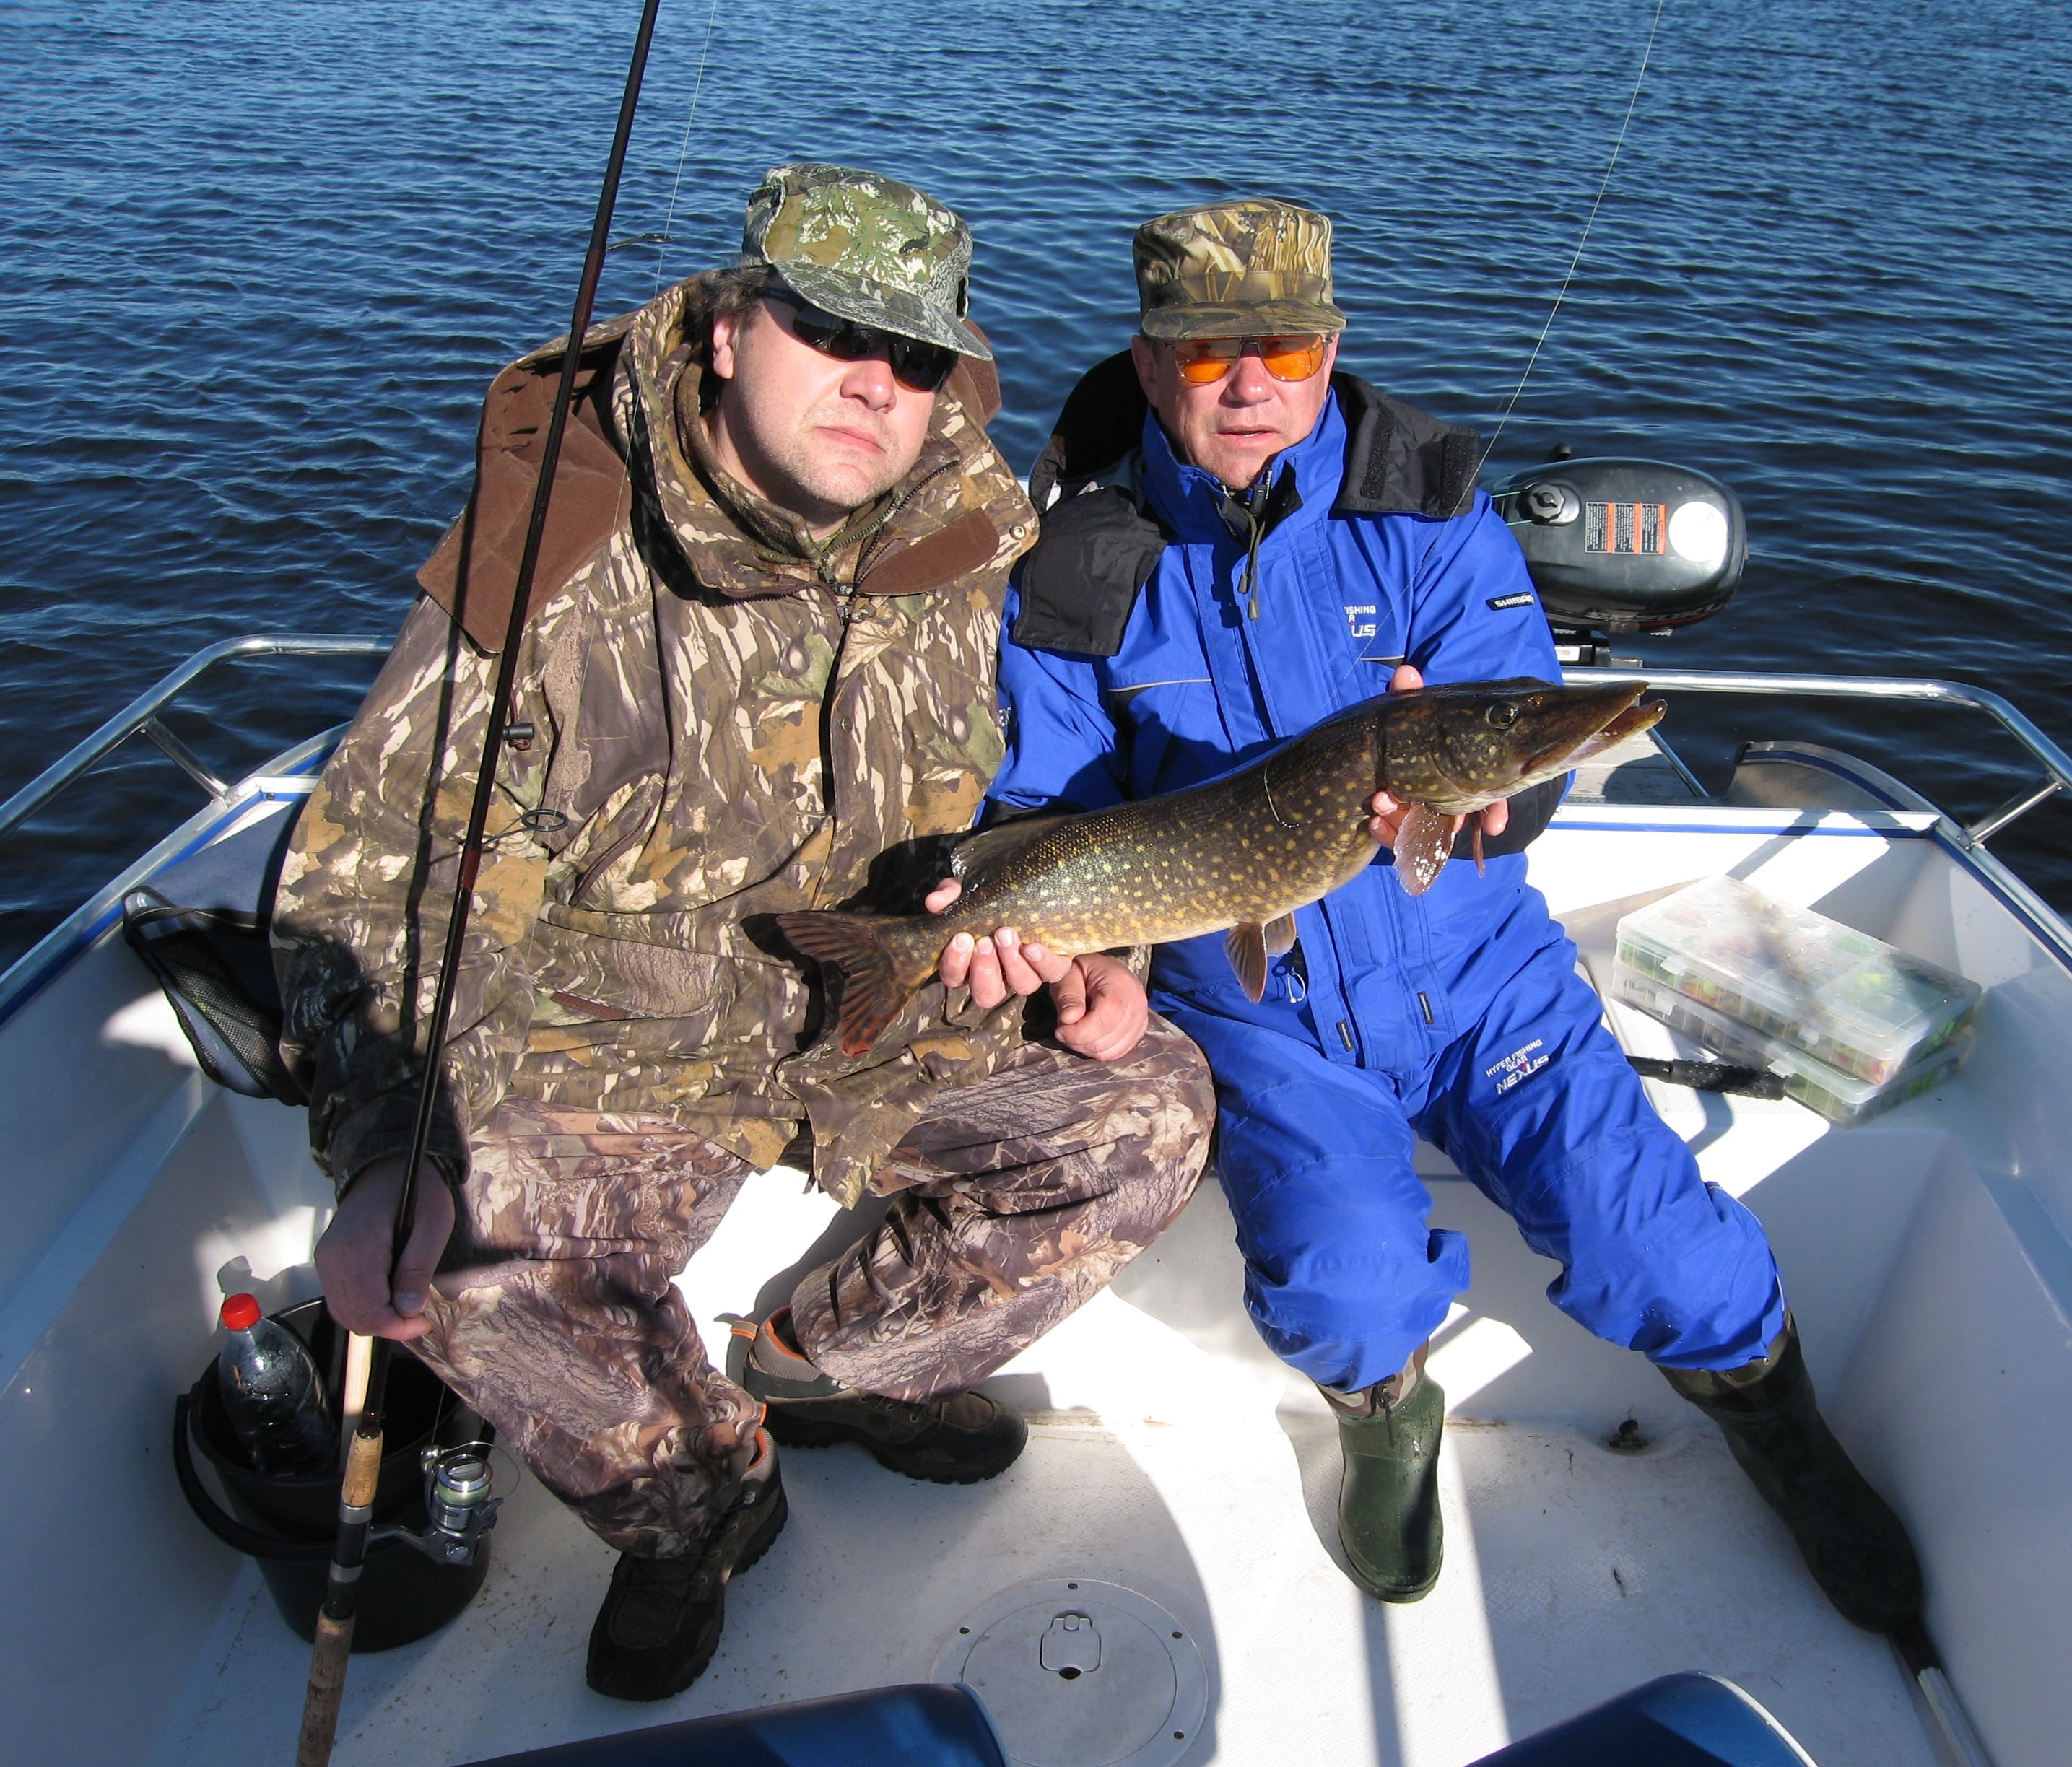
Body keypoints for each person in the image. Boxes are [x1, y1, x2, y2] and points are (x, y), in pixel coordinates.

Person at [275, 163, 1213, 1701]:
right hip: (624, 1046)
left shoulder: (984, 540)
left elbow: (1065, 790)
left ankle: (828, 1367)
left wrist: (1106, 957)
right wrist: (393, 1142)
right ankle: (705, 1505)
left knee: (1151, 1112)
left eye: (915, 355)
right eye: (830, 330)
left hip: (897, 1005)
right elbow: (391, 880)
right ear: (726, 332)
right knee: (457, 1254)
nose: (874, 381)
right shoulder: (557, 549)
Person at [964, 196, 1921, 1627]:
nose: (1250, 384)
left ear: (1331, 347)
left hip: (1481, 976)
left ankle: (1783, 1432)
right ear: (1151, 361)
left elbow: (1521, 734)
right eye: (1208, 350)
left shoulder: (1425, 508)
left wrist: (1496, 799)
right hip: (1264, 1009)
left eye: (1286, 350)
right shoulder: (1081, 569)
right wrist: (1088, 968)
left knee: (1662, 1246)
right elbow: (1052, 809)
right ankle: (1387, 1411)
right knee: (1340, 1288)